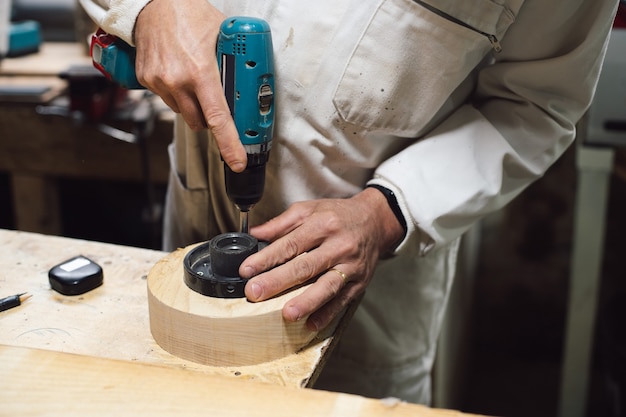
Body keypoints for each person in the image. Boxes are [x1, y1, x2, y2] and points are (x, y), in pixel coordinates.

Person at [80, 0, 618, 405]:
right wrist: (148, 7)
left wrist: (387, 211)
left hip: (364, 291)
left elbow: (535, 104)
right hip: (195, 209)